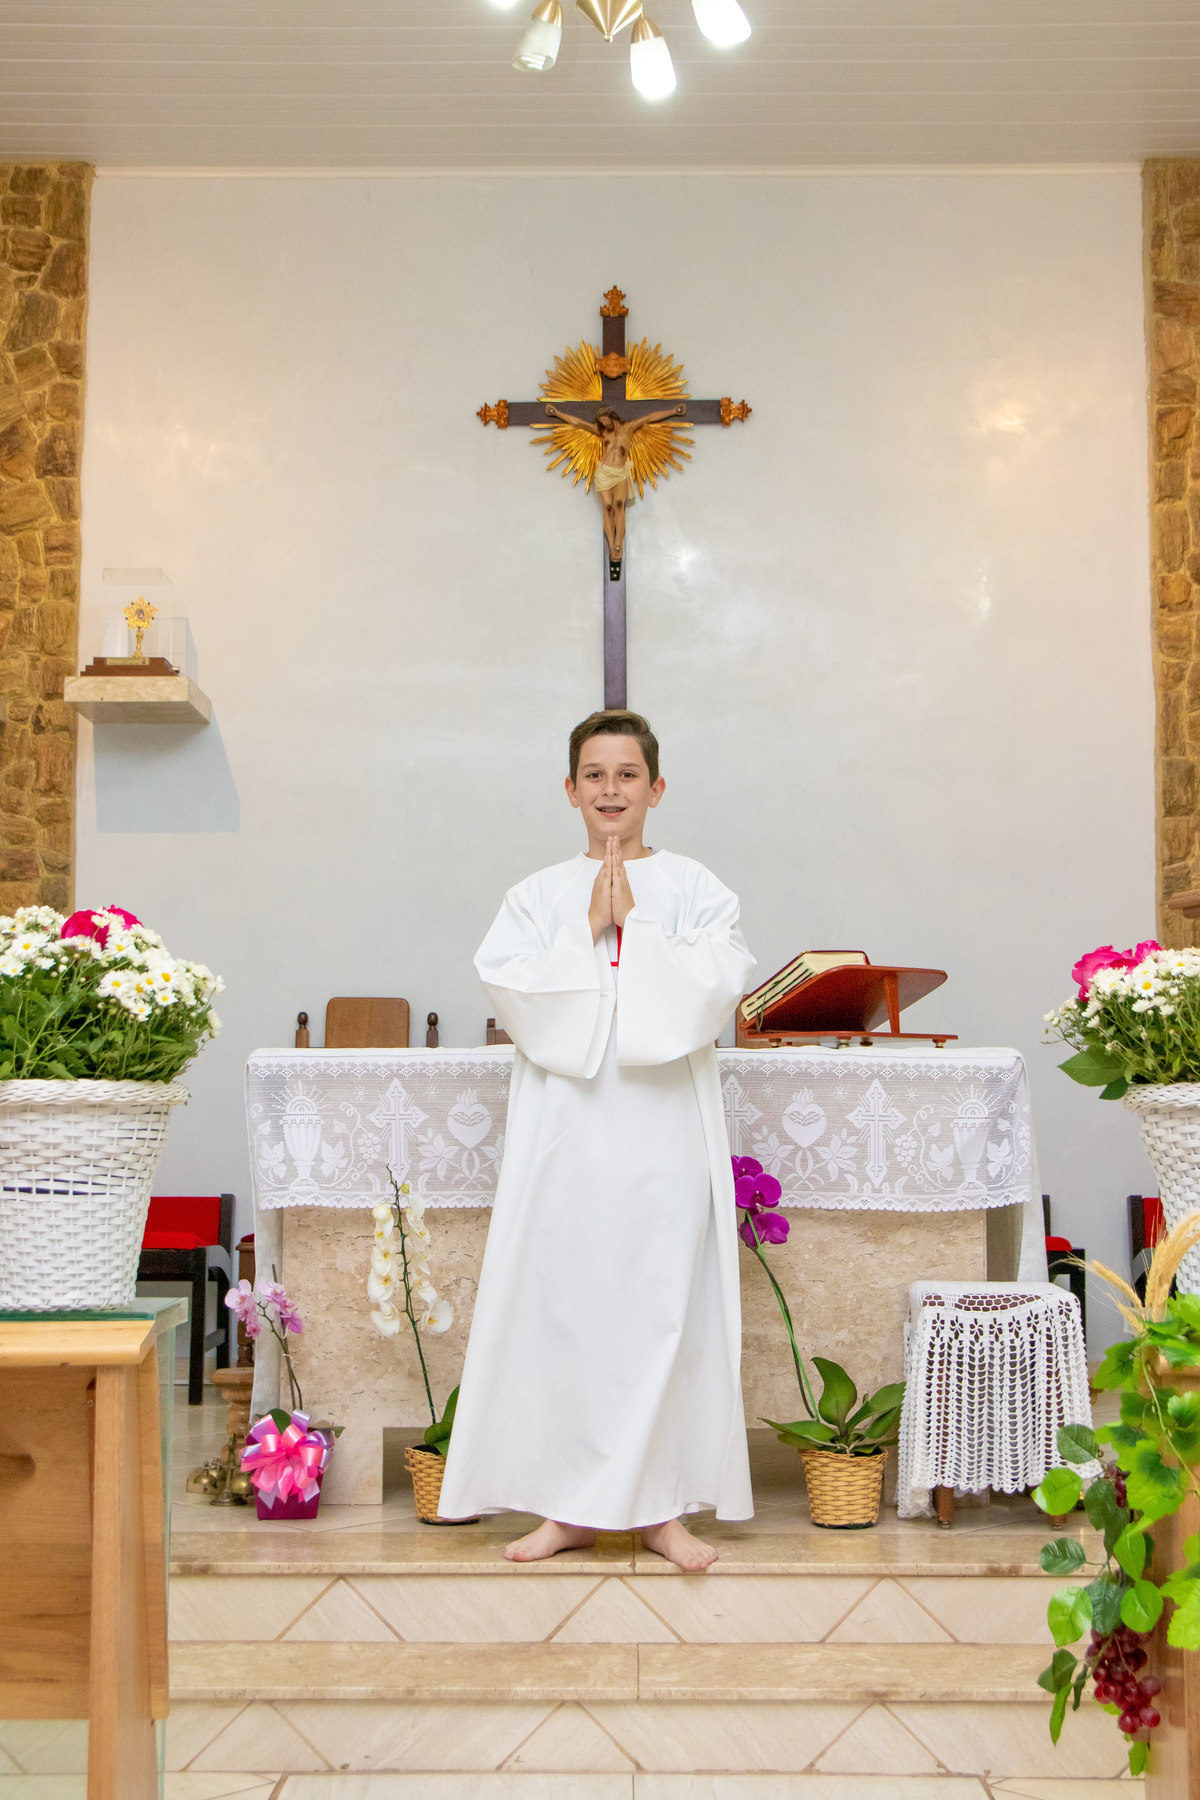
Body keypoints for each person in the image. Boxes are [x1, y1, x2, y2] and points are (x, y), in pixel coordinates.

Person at [437, 708, 756, 1570]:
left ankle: (660, 1508)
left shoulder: (695, 887)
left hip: (662, 1128)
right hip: (567, 1129)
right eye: (593, 774)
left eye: (626, 775)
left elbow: (715, 986)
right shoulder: (536, 895)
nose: (610, 789)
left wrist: (637, 926)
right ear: (570, 789)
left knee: (663, 1308)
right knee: (568, 1307)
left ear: (656, 788)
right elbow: (511, 992)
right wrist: (585, 927)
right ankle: (570, 1506)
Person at [544, 402, 687, 579]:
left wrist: (673, 410)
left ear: (612, 416)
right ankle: (612, 546)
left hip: (620, 473)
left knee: (620, 505)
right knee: (608, 508)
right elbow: (578, 423)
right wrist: (557, 413)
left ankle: (618, 544)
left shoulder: (629, 428)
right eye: (601, 421)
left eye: (605, 418)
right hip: (604, 473)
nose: (603, 423)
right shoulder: (602, 432)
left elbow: (650, 418)